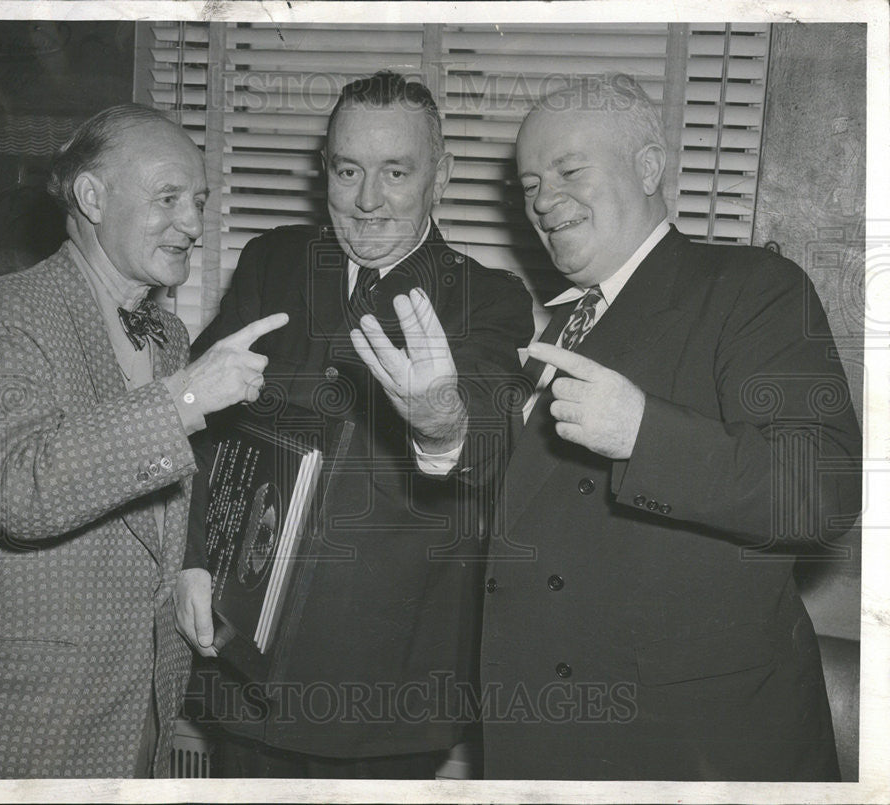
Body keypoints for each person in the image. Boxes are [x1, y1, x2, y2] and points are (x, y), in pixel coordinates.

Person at [479, 73, 863, 781]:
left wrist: (643, 433)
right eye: (530, 184)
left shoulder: (752, 289)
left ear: (649, 167)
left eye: (568, 171)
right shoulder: (562, 323)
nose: (542, 202)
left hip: (686, 751)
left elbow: (825, 490)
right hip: (544, 741)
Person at [0, 104, 288, 778]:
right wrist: (191, 396)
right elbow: (21, 488)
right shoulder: (4, 311)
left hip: (138, 714)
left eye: (198, 201)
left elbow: (155, 500)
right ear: (91, 196)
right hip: (13, 724)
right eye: (168, 198)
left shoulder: (167, 337)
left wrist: (191, 565)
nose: (195, 224)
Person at [176, 71, 534, 778]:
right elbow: (199, 423)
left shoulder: (488, 297)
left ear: (440, 176)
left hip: (380, 703)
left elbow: (490, 435)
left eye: (396, 172)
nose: (368, 201)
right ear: (325, 172)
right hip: (242, 672)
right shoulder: (271, 263)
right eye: (348, 171)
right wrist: (193, 557)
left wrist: (441, 423)